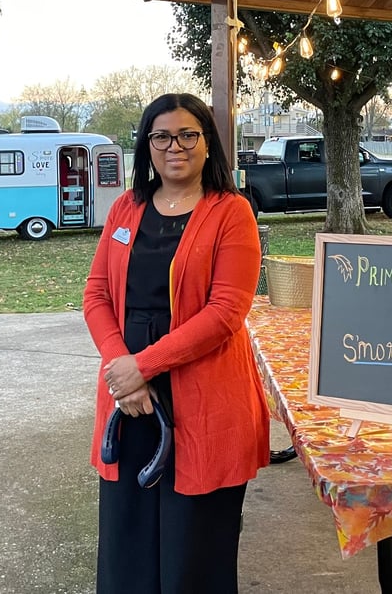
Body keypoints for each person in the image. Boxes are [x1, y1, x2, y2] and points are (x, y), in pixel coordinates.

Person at [82, 92, 270, 594]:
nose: (175, 146)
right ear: (146, 146)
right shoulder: (127, 207)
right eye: (161, 136)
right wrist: (124, 369)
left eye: (188, 134)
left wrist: (145, 365)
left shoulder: (231, 212)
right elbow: (97, 293)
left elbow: (226, 311)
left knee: (195, 546)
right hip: (130, 398)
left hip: (203, 396)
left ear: (208, 144)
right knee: (128, 541)